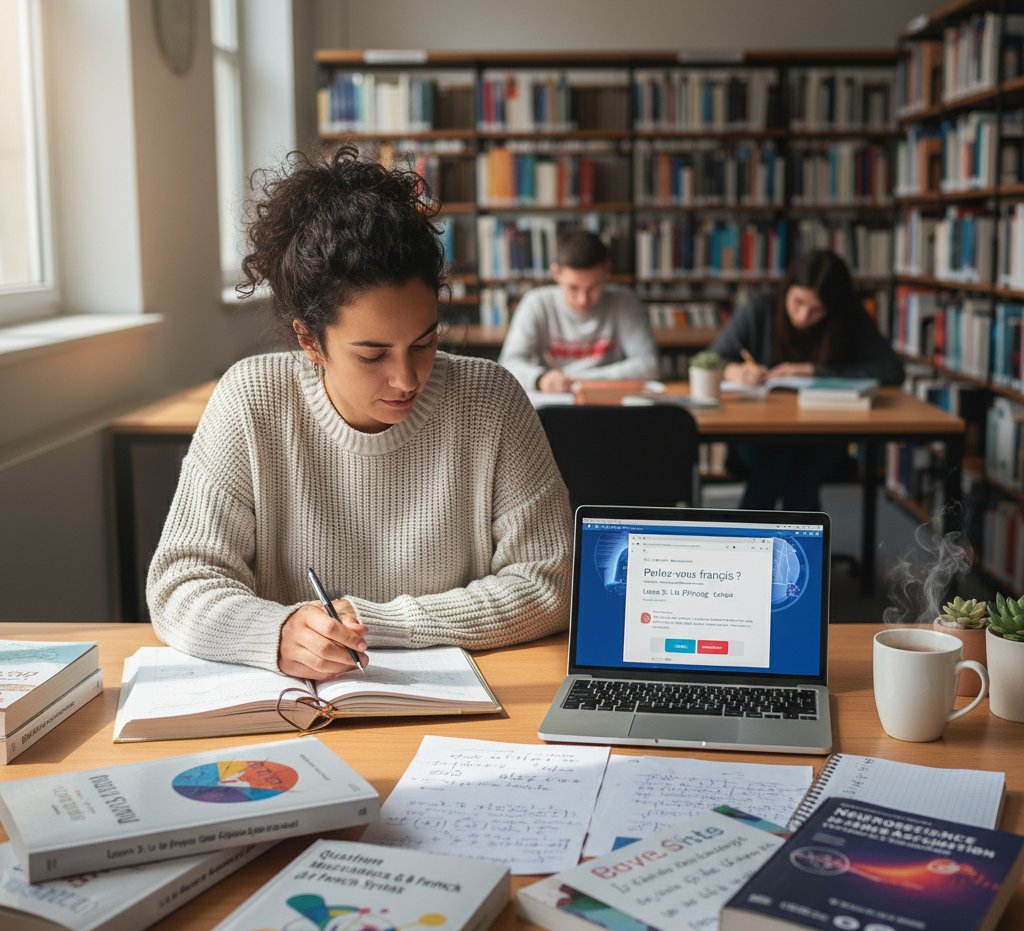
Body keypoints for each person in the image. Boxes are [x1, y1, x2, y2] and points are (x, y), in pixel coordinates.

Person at [146, 145, 572, 681]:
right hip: (296, 707)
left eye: (424, 342)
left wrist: (379, 623)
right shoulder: (251, 399)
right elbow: (181, 582)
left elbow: (549, 581)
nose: (407, 378)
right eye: (372, 355)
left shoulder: (490, 401)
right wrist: (277, 633)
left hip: (462, 709)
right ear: (310, 339)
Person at [710, 249, 905, 511]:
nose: (803, 316)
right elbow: (709, 359)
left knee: (793, 462)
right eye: (798, 303)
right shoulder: (762, 308)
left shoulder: (847, 317)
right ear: (787, 290)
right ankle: (804, 549)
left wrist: (814, 371)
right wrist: (734, 370)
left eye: (815, 310)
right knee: (785, 461)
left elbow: (891, 370)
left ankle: (749, 544)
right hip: (760, 433)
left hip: (822, 433)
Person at [498, 229, 659, 393]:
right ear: (556, 273)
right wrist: (541, 378)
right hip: (555, 403)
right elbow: (509, 364)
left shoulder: (624, 302)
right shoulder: (536, 303)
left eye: (593, 287)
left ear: (606, 272)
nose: (583, 299)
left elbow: (649, 364)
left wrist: (578, 379)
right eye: (573, 288)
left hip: (608, 402)